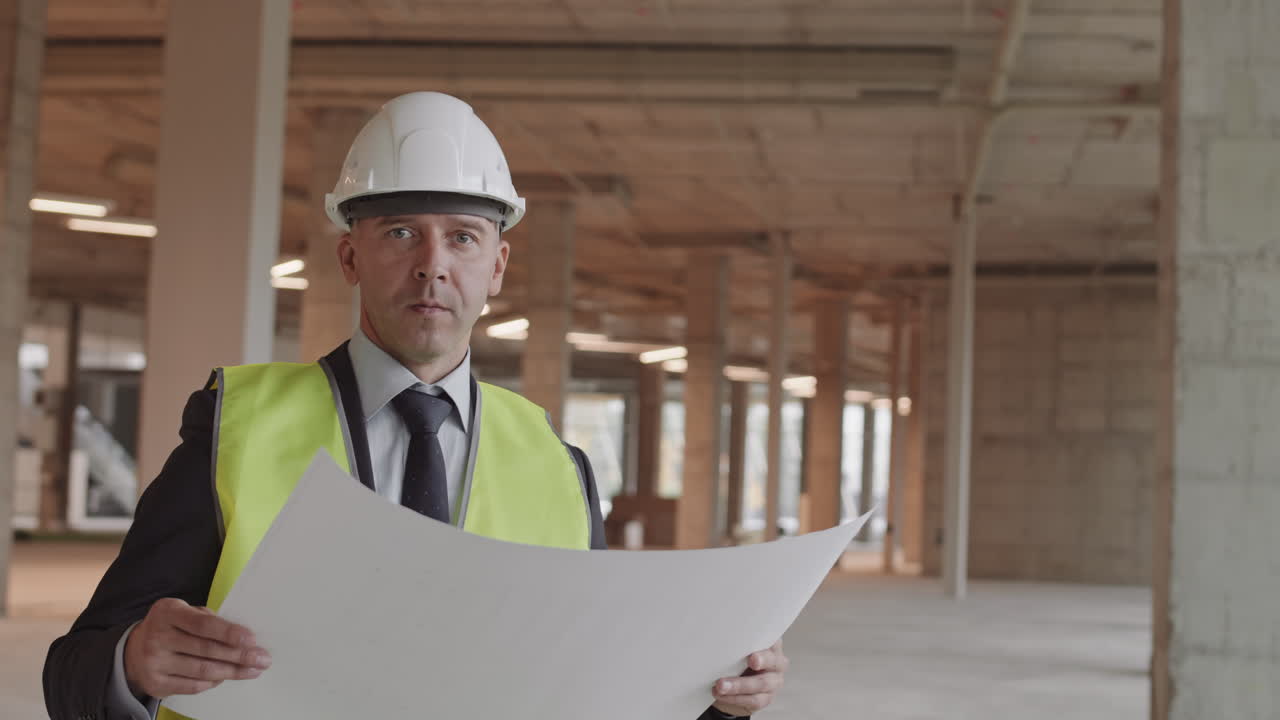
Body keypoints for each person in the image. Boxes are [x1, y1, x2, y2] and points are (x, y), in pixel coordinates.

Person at [43, 92, 789, 720]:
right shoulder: (233, 429)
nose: (432, 264)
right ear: (350, 258)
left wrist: (719, 701)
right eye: (401, 233)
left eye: (462, 238)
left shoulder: (558, 469)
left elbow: (595, 693)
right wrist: (132, 662)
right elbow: (73, 672)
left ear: (495, 267)